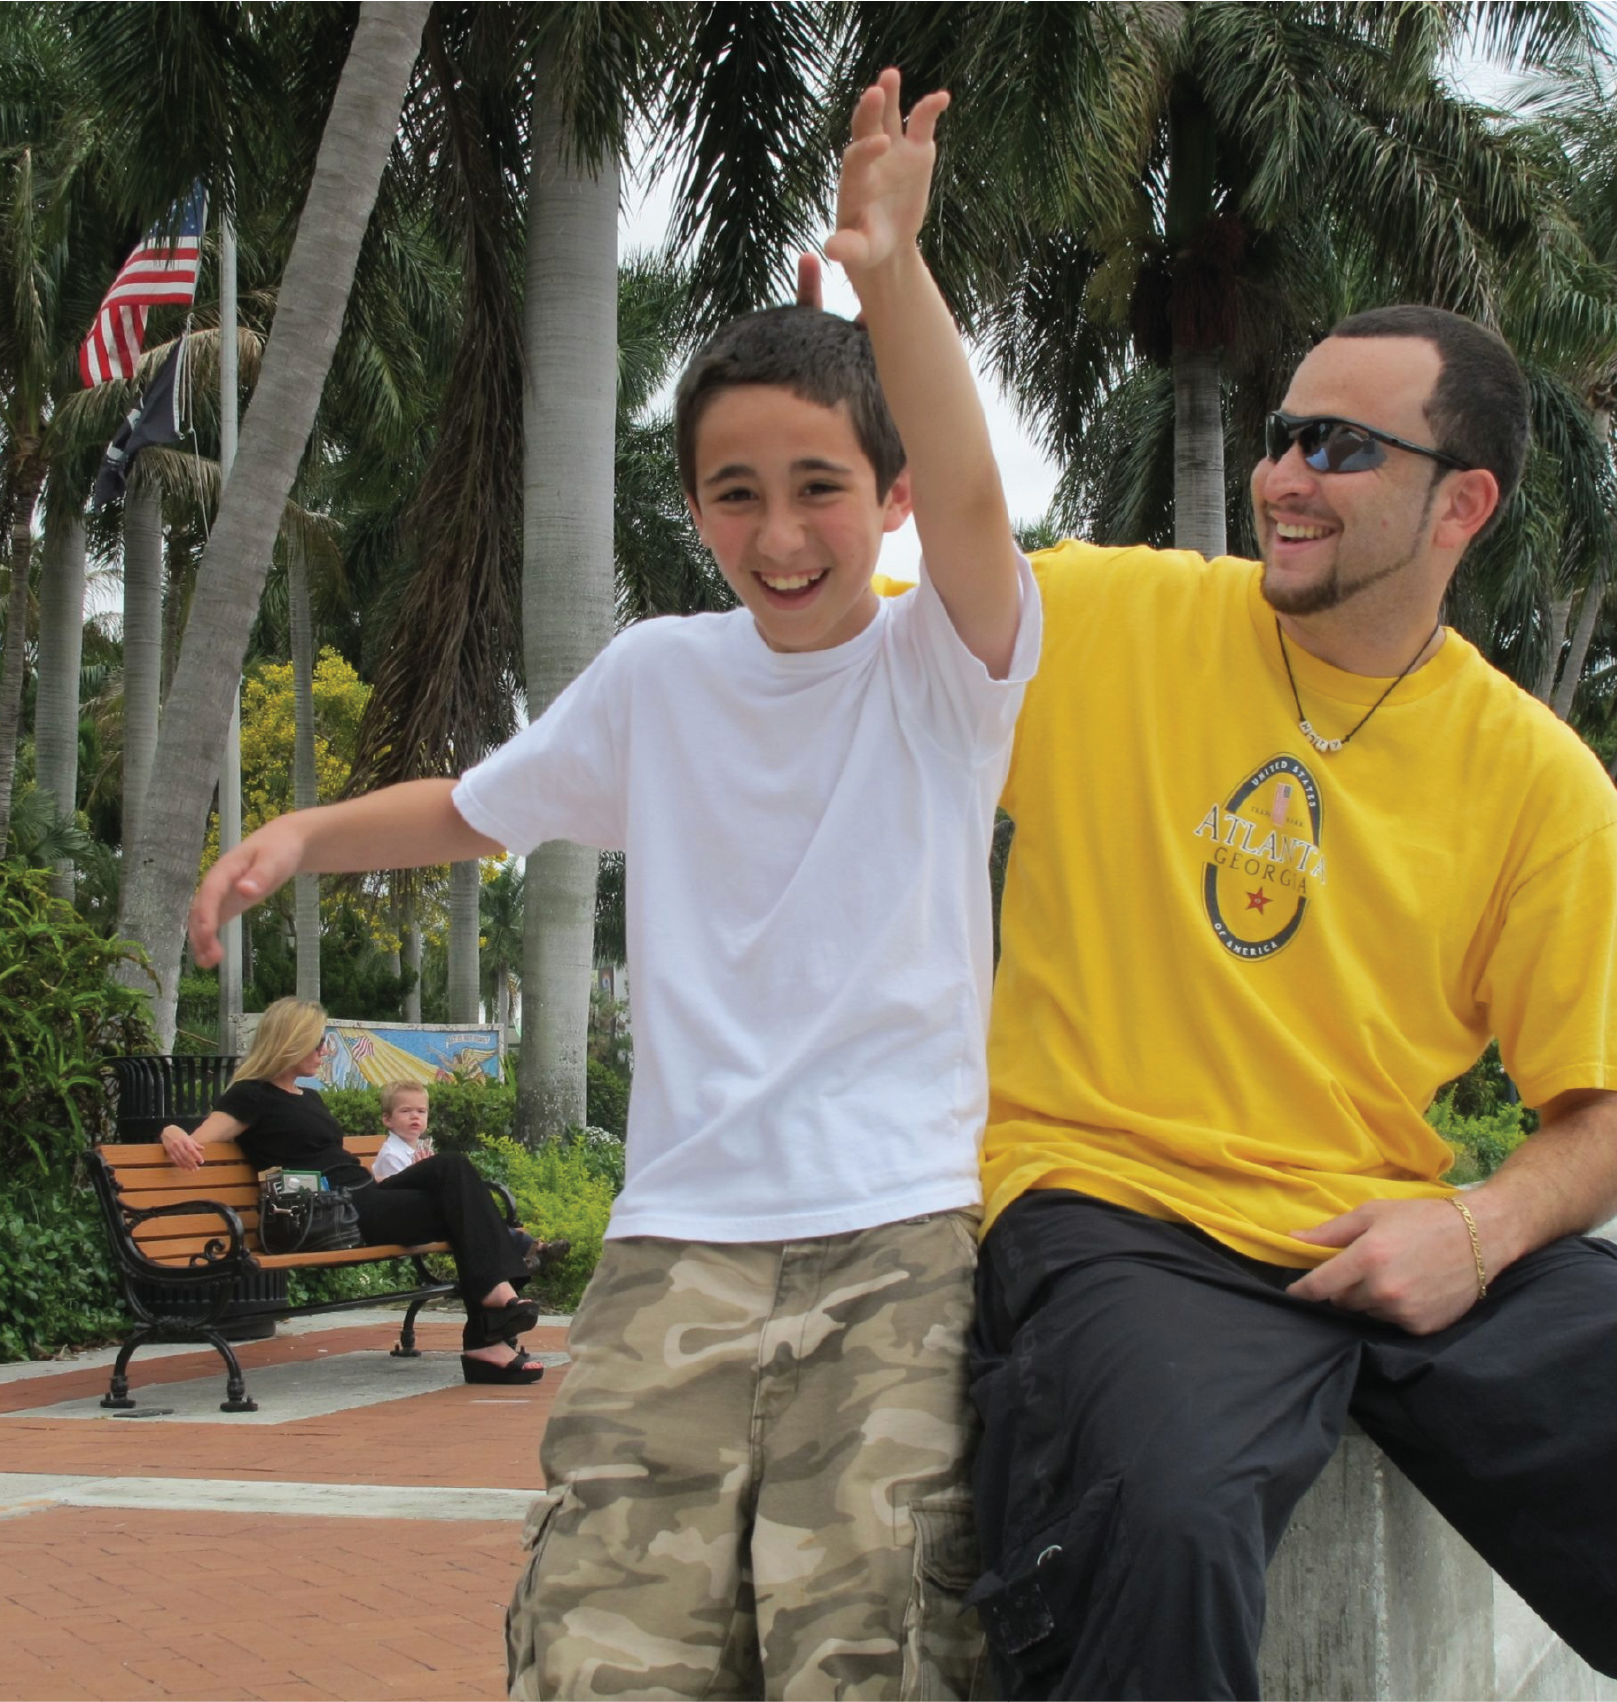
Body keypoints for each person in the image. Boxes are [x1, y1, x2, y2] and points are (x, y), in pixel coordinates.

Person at [189, 70, 1033, 1702]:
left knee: (871, 1636)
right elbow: (477, 805)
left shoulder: (946, 667)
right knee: (603, 1647)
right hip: (677, 1244)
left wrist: (892, 275)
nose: (780, 533)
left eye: (819, 488)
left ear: (892, 496)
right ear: (694, 507)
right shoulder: (658, 678)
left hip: (901, 1239)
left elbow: (986, 500)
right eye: (736, 492)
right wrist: (302, 834)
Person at [957, 304, 1617, 1701]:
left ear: (1462, 500)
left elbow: (1608, 1111)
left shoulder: (1536, 780)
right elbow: (877, 623)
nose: (1284, 475)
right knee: (1162, 1528)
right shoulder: (1112, 617)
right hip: (1117, 1214)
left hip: (1390, 1231)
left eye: (1337, 447)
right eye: (1285, 436)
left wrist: (1478, 1229)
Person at [158, 997, 544, 1384]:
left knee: (454, 1171)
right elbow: (199, 1141)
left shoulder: (309, 1096)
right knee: (461, 1200)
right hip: (336, 1211)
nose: (324, 1050)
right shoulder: (250, 1094)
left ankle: (492, 1318)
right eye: (317, 1042)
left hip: (364, 1193)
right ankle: (489, 1327)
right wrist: (170, 1131)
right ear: (289, 1042)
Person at [372, 1079, 571, 1273]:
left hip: (434, 1215)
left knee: (476, 1216)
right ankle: (526, 1253)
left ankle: (529, 1250)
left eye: (421, 1111)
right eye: (406, 1111)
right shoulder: (392, 1154)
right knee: (473, 1219)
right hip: (412, 1222)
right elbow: (397, 1200)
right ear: (387, 1119)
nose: (415, 1116)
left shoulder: (420, 1148)